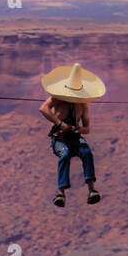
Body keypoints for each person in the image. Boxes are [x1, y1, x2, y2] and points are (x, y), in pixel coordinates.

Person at [39, 62, 105, 207]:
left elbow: (87, 127)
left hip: (74, 136)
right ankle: (61, 193)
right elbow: (43, 109)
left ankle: (92, 189)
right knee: (65, 154)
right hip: (59, 137)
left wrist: (80, 129)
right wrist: (60, 124)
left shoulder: (83, 105)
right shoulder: (56, 98)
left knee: (86, 152)